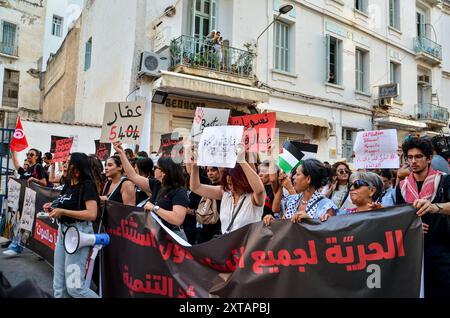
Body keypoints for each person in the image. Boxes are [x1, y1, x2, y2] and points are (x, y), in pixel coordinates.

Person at [396, 136, 450, 298]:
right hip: (412, 253)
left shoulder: (444, 181)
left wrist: (434, 207)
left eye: (418, 156)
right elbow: (399, 215)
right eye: (410, 157)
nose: (413, 161)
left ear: (429, 159)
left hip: (441, 251)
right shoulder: (402, 187)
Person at [42, 152, 100, 298]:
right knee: (59, 286)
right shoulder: (68, 183)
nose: (65, 165)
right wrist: (54, 206)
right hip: (63, 233)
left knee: (75, 288)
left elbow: (92, 214)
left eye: (69, 162)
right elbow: (65, 202)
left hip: (79, 234)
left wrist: (62, 211)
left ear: (77, 167)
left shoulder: (87, 185)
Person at [113, 142, 189, 239]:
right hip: (158, 235)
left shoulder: (179, 191)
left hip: (173, 237)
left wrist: (154, 208)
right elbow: (132, 175)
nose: (154, 170)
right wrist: (121, 153)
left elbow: (177, 219)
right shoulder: (156, 185)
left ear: (164, 172)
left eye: (156, 168)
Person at [189, 145, 266, 235]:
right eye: (229, 184)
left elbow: (260, 190)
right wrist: (194, 166)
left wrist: (242, 161)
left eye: (236, 184)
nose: (231, 188)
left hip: (248, 246)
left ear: (244, 181)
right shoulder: (226, 193)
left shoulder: (253, 197)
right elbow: (195, 187)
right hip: (228, 246)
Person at [264, 159, 337, 225]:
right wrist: (272, 221)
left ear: (308, 179)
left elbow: (328, 234)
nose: (293, 177)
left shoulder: (327, 206)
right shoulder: (292, 200)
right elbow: (284, 226)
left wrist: (310, 221)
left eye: (298, 174)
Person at [3, 149, 47, 256]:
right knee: (21, 223)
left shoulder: (38, 167)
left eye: (31, 154)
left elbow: (44, 182)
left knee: (29, 225)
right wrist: (13, 153)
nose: (28, 156)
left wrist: (34, 179)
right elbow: (18, 166)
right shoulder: (28, 169)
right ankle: (16, 246)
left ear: (37, 157)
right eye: (27, 154)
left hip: (33, 200)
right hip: (24, 200)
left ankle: (17, 247)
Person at [195, 166, 222, 244]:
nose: (210, 173)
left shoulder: (224, 188)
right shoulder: (207, 184)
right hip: (203, 228)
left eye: (213, 170)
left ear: (219, 170)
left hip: (216, 230)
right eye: (208, 171)